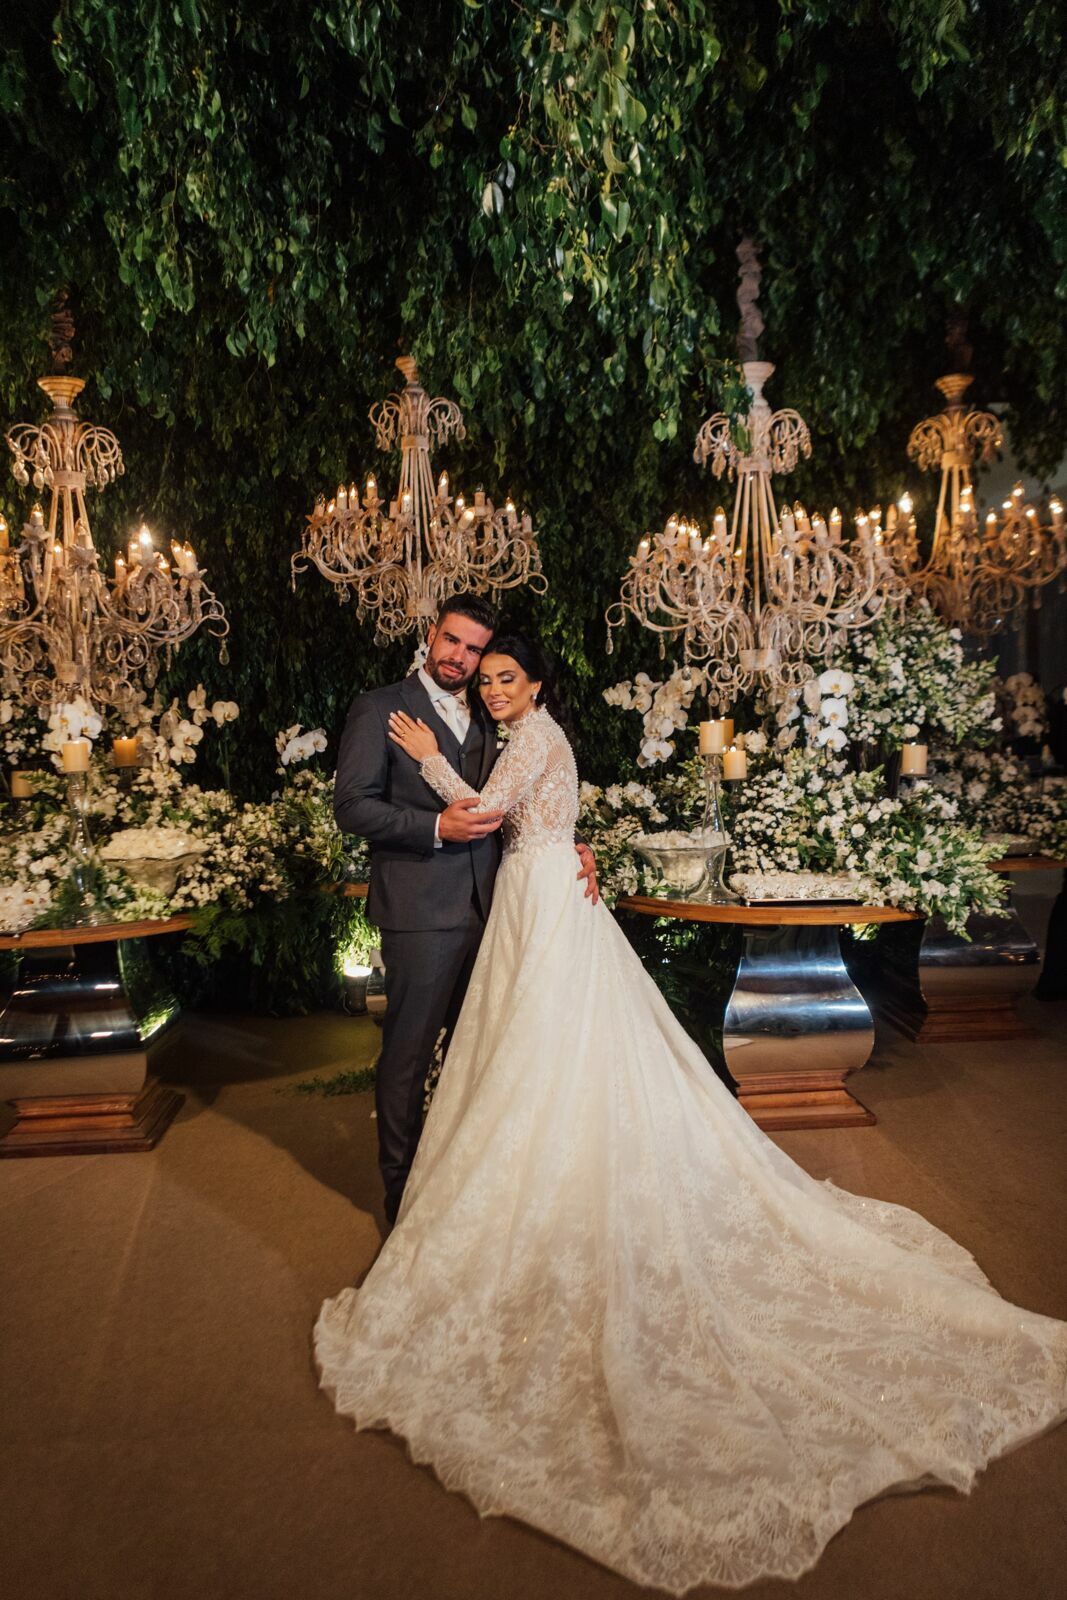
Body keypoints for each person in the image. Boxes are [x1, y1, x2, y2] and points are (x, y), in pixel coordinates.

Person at [316, 633, 1067, 1593]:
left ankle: (543, 1185)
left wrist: (433, 761)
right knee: (515, 1043)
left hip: (540, 899)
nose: (493, 685)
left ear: (536, 684)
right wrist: (546, 824)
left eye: (507, 675)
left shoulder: (528, 731)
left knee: (543, 1043)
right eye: (484, 672)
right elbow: (511, 812)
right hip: (524, 896)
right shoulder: (518, 728)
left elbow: (491, 810)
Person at [333, 597, 598, 1223]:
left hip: (500, 913)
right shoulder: (378, 708)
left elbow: (513, 803)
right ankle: (401, 1199)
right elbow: (353, 807)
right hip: (422, 914)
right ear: (431, 635)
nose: (461, 658)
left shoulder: (493, 713)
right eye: (452, 642)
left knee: (484, 1054)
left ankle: (462, 1187)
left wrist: (567, 844)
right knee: (409, 1055)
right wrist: (432, 828)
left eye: (475, 650)